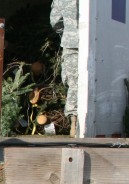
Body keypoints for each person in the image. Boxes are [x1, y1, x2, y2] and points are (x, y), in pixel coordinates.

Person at [50, 0, 79, 137]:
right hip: (94, 43)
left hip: (72, 43)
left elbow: (56, 21)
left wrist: (69, 32)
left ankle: (74, 122)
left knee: (73, 83)